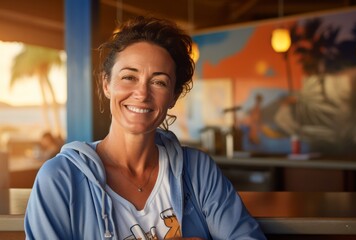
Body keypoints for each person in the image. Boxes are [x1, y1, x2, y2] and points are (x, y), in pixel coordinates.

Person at [24, 16, 266, 240]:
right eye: (129, 77)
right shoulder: (60, 178)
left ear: (173, 96)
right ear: (106, 84)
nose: (142, 93)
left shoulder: (198, 171)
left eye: (159, 82)